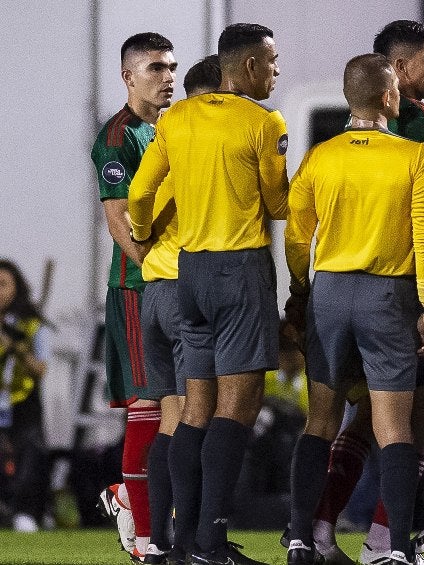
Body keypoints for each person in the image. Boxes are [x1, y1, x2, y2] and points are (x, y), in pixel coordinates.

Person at [304, 22, 424, 565]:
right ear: (397, 73)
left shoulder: (335, 144)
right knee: (411, 421)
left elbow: (297, 223)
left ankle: (317, 529)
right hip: (401, 295)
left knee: (344, 418)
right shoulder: (423, 130)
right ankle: (386, 540)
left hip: (333, 294)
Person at [129, 23, 287, 565]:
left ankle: (177, 544)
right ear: (247, 67)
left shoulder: (175, 120)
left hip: (187, 274)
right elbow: (276, 201)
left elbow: (140, 191)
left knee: (193, 410)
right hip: (238, 268)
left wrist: (145, 231)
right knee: (237, 410)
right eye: (270, 62)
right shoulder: (263, 122)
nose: (275, 72)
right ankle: (213, 542)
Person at [283, 52, 424, 565]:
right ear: (388, 97)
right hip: (387, 295)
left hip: (328, 291)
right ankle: (393, 550)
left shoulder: (321, 156)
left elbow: (296, 235)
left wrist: (302, 290)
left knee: (320, 422)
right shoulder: (412, 156)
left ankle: (302, 539)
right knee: (393, 428)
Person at [90, 31, 177, 563]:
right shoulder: (118, 137)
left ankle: (129, 496)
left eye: (171, 67)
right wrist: (159, 268)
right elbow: (119, 221)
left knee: (179, 408)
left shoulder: (171, 126)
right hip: (139, 288)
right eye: (155, 68)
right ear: (128, 76)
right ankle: (147, 538)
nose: (167, 76)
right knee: (147, 405)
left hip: (174, 285)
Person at [136, 54, 221, 565]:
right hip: (187, 289)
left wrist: (143, 235)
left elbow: (139, 194)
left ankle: (159, 543)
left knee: (170, 419)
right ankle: (188, 542)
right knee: (198, 419)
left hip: (153, 290)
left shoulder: (162, 133)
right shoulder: (202, 138)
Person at [0, 259, 53, 534]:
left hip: (22, 404)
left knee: (29, 457)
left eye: (3, 284)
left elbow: (40, 369)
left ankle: (27, 512)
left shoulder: (32, 325)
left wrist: (18, 348)